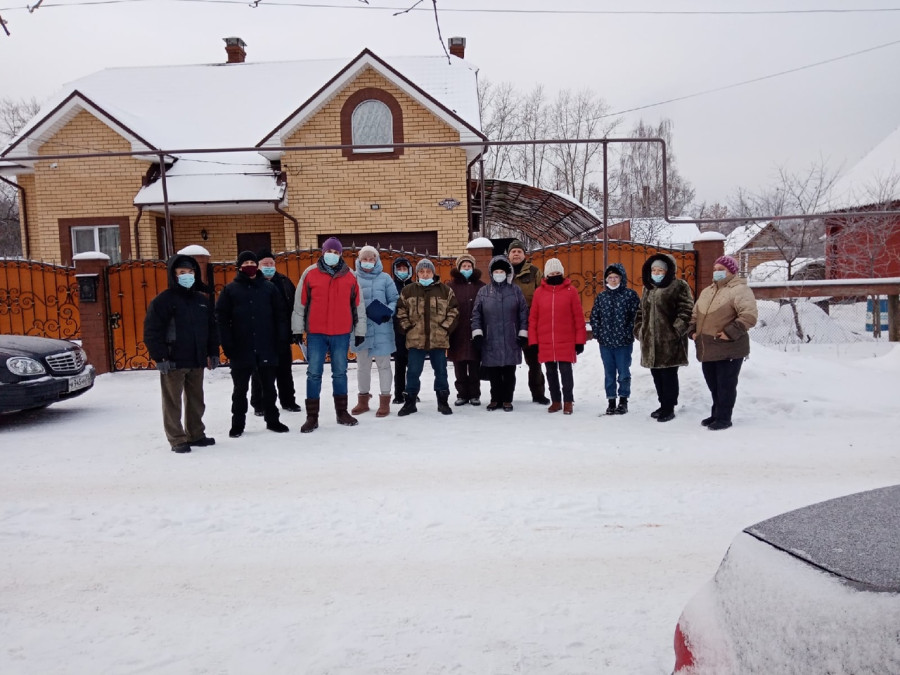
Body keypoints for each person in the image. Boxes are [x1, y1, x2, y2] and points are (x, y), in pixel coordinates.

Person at [143, 254, 219, 453]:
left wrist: (212, 352)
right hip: (172, 360)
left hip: (196, 358)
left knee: (196, 400)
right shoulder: (164, 301)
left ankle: (196, 434)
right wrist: (160, 357)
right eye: (182, 273)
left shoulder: (201, 301)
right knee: (172, 402)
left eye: (191, 272)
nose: (187, 276)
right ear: (174, 276)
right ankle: (177, 439)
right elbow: (152, 330)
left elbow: (211, 329)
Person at [292, 237, 366, 433]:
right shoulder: (310, 273)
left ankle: (342, 412)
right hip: (316, 333)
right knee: (314, 373)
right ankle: (312, 417)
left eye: (336, 252)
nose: (332, 255)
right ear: (322, 252)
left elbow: (358, 305)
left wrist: (360, 331)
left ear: (341, 254)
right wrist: (298, 329)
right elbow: (300, 305)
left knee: (340, 373)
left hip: (341, 333)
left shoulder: (350, 276)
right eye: (329, 251)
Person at [215, 251, 290, 438]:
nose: (250, 265)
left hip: (267, 345)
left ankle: (272, 420)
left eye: (252, 262)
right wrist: (228, 344)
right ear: (239, 266)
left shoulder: (268, 288)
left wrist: (281, 339)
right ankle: (237, 424)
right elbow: (221, 319)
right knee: (240, 389)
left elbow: (280, 316)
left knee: (269, 388)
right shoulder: (230, 290)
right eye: (245, 262)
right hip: (241, 348)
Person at [687, 255, 758, 431]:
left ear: (731, 271)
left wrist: (729, 333)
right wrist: (692, 331)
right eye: (715, 269)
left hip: (729, 348)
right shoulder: (708, 291)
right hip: (708, 347)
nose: (717, 272)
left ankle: (724, 418)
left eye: (722, 269)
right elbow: (695, 315)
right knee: (714, 384)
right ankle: (716, 413)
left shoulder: (740, 290)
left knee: (725, 385)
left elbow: (749, 316)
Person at [634, 253, 695, 423]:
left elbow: (687, 310)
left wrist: (676, 330)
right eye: (654, 269)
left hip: (669, 342)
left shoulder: (678, 286)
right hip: (650, 341)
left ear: (668, 271)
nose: (656, 272)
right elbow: (641, 312)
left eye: (660, 270)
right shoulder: (648, 287)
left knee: (668, 375)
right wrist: (639, 329)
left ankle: (669, 407)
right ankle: (663, 404)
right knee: (657, 374)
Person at [395, 258, 459, 416]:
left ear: (433, 272)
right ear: (417, 274)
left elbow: (454, 311)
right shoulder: (408, 290)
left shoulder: (445, 290)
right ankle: (410, 402)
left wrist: (445, 328)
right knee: (413, 372)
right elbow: (401, 312)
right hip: (415, 340)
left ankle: (443, 402)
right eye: (422, 272)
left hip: (438, 339)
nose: (425, 274)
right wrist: (408, 328)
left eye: (428, 271)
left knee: (441, 372)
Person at [471, 255, 529, 412]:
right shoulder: (483, 291)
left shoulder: (515, 290)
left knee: (509, 372)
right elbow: (476, 314)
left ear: (507, 272)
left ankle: (507, 400)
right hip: (491, 338)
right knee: (494, 372)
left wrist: (523, 333)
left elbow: (523, 312)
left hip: (511, 337)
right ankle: (495, 399)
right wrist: (477, 333)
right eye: (495, 271)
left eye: (501, 271)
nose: (499, 274)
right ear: (491, 273)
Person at [528, 258, 586, 415]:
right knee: (550, 372)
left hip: (566, 340)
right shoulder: (539, 293)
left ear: (562, 273)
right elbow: (533, 318)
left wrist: (580, 341)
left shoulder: (571, 291)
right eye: (551, 273)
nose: (554, 275)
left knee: (566, 372)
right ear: (546, 275)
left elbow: (578, 318)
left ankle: (568, 401)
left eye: (557, 272)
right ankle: (555, 401)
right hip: (545, 341)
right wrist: (533, 341)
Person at [250, 248, 301, 416]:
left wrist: (295, 330)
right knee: (261, 372)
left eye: (272, 263)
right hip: (261, 337)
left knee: (285, 370)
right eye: (265, 264)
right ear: (257, 266)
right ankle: (260, 404)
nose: (269, 266)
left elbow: (294, 307)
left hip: (282, 334)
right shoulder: (251, 284)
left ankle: (288, 401)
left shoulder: (284, 282)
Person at [352, 245, 399, 418]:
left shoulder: (385, 278)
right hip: (361, 329)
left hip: (381, 328)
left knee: (384, 366)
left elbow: (395, 299)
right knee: (362, 367)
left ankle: (385, 401)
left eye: (372, 259)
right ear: (359, 260)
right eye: (365, 259)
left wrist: (388, 311)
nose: (368, 262)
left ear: (377, 260)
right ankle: (363, 401)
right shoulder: (353, 278)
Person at [589, 262, 641, 415]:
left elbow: (636, 316)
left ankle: (623, 400)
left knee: (624, 372)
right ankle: (611, 400)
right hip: (606, 343)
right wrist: (598, 333)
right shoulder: (602, 297)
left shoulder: (630, 295)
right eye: (610, 277)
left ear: (621, 278)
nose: (612, 280)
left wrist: (629, 332)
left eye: (616, 277)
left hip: (623, 342)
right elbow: (595, 317)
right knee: (609, 373)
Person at [506, 239, 549, 405]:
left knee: (534, 363)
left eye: (519, 251)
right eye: (513, 251)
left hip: (530, 325)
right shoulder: (503, 273)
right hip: (509, 325)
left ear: (524, 255)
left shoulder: (534, 272)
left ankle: (538, 394)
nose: (516, 254)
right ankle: (505, 395)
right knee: (507, 363)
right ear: (508, 255)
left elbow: (543, 297)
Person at [446, 253, 486, 406]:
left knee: (475, 365)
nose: (467, 268)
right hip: (457, 332)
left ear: (473, 267)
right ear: (459, 268)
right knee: (459, 366)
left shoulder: (481, 286)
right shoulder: (450, 287)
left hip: (476, 331)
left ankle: (475, 394)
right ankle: (462, 394)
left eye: (469, 266)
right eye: (464, 266)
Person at [391, 257, 415, 404]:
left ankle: (412, 391)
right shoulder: (392, 286)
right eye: (399, 269)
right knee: (400, 365)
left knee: (413, 366)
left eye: (404, 269)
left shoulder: (415, 286)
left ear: (409, 270)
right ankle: (399, 393)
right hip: (398, 332)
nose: (402, 271)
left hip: (413, 332)